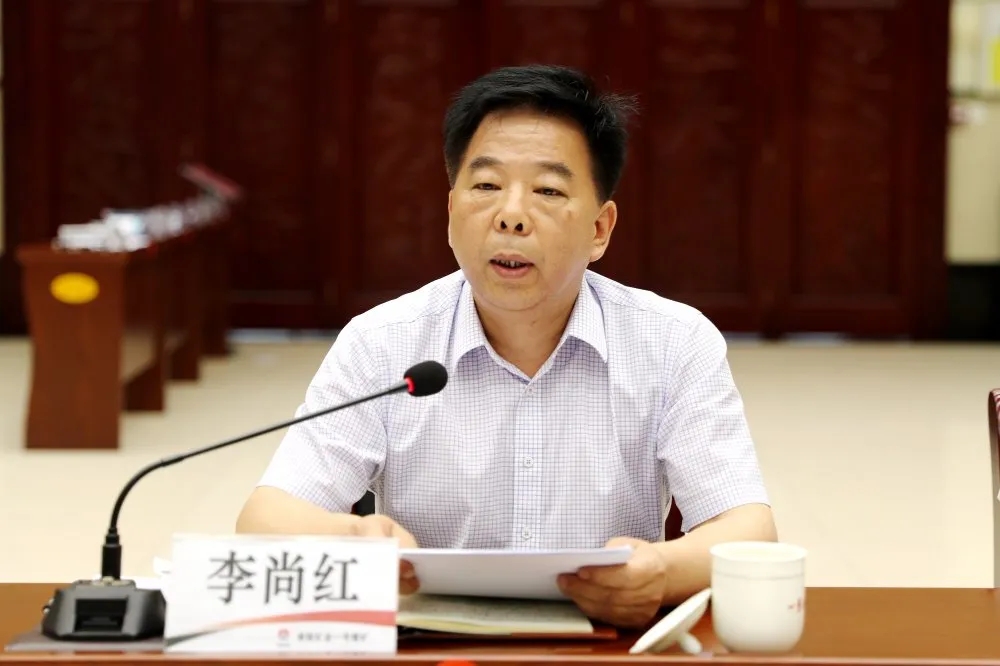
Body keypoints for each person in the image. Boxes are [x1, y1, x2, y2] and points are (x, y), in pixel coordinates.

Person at [237, 64, 777, 628]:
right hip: (433, 644)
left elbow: (748, 531)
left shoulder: (672, 342)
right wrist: (354, 535)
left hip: (607, 642)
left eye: (548, 191)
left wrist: (661, 570)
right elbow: (266, 517)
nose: (511, 216)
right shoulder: (382, 343)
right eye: (487, 186)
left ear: (599, 229)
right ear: (451, 212)